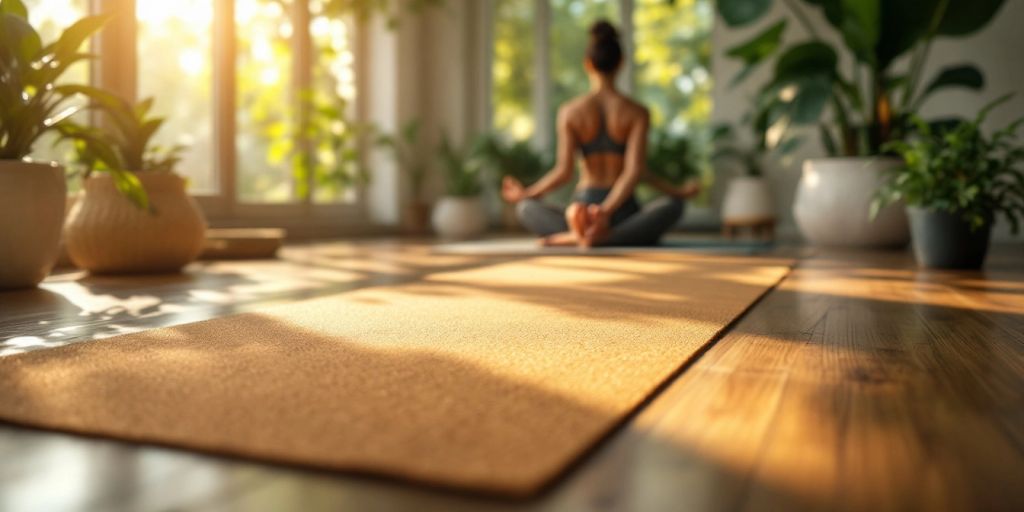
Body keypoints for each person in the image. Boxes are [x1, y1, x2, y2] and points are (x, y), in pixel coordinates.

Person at [501, 20, 701, 248]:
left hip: (583, 211)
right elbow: (636, 172)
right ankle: (611, 237)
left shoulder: (569, 112)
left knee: (526, 208)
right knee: (674, 205)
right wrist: (677, 192)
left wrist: (528, 193)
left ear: (588, 64)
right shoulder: (637, 112)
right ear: (621, 63)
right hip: (623, 211)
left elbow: (563, 172)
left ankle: (578, 235)